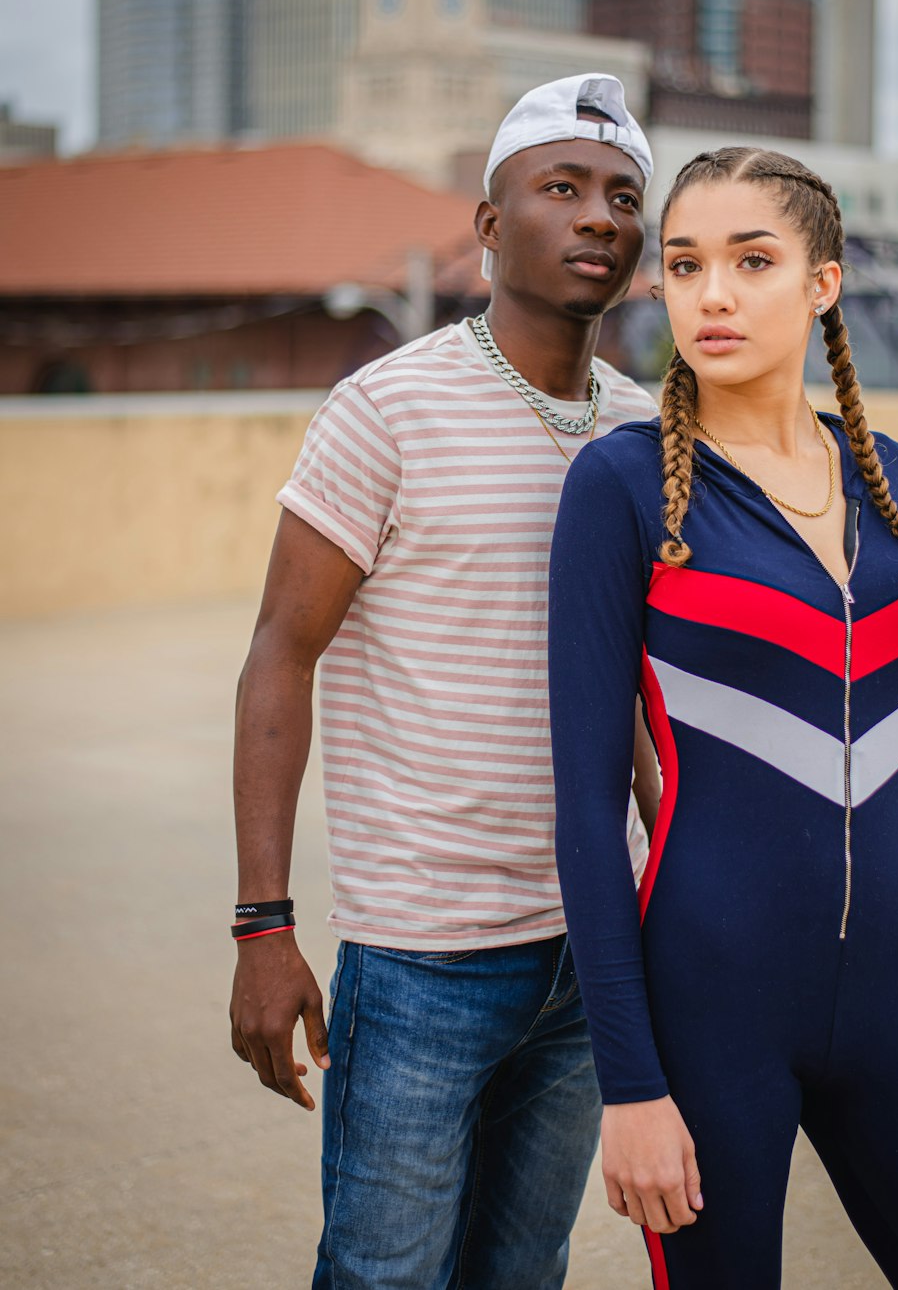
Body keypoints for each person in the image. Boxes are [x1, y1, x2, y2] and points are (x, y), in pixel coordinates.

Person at [547, 147, 898, 1289]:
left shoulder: (895, 480)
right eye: (684, 264)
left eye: (751, 261)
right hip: (713, 1013)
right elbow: (581, 805)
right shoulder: (622, 487)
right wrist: (630, 1087)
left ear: (823, 282)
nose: (711, 295)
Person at [228, 73, 661, 1290]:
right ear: (487, 229)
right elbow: (280, 653)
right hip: (425, 960)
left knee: (523, 1272)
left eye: (624, 197)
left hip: (595, 956)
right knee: (385, 1277)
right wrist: (264, 924)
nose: (598, 218)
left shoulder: (641, 437)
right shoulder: (387, 410)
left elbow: (647, 699)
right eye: (561, 188)